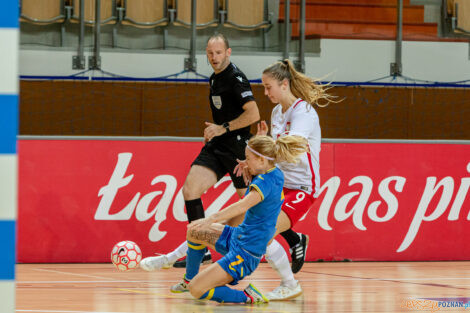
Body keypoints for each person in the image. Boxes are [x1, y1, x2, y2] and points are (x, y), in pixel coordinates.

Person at [140, 33, 260, 271]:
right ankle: (201, 248)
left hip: (237, 147)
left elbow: (253, 114)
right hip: (217, 146)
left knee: (248, 205)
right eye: (209, 53)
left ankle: (278, 242)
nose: (214, 57)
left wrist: (223, 127)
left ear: (228, 52)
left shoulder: (236, 79)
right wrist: (216, 132)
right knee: (190, 190)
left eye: (218, 52)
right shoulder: (214, 78)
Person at [236, 59, 333, 300]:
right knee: (246, 227)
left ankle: (289, 284)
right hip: (278, 183)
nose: (266, 92)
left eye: (269, 87)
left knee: (263, 233)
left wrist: (259, 153)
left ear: (285, 84)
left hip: (302, 187)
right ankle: (289, 248)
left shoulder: (304, 112)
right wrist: (254, 161)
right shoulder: (278, 112)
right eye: (264, 87)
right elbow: (273, 155)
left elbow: (289, 149)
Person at [184, 135, 309, 304]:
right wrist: (249, 165)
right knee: (194, 232)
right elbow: (263, 163)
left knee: (197, 289)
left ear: (262, 160)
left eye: (248, 158)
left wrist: (211, 219)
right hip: (238, 236)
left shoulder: (265, 181)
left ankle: (248, 297)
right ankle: (187, 280)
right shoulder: (274, 171)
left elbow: (242, 206)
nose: (245, 161)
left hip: (245, 253)